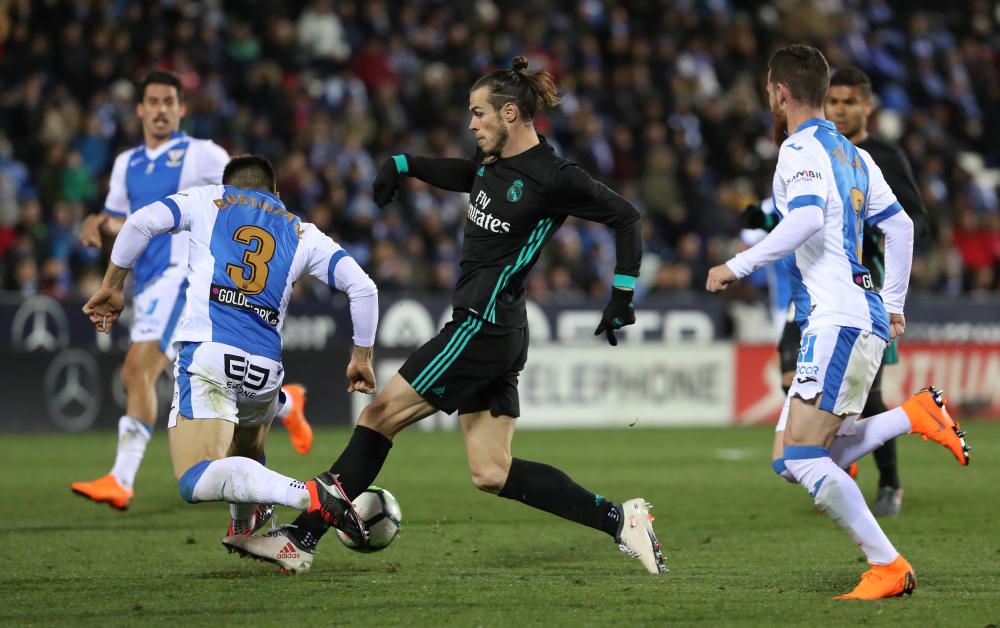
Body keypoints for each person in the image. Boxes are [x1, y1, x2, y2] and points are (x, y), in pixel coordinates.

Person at [224, 56, 666, 576]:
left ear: (510, 114)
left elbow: (626, 216)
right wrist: (405, 165)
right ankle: (622, 520)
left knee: (378, 416)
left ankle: (301, 537)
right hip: (501, 329)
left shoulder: (554, 176)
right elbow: (465, 175)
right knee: (491, 471)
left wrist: (622, 293)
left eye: (478, 114)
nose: (471, 124)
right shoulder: (491, 164)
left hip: (482, 324)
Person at [707, 45, 968, 600]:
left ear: (779, 92)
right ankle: (914, 415)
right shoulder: (853, 154)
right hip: (856, 316)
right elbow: (901, 229)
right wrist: (893, 302)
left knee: (804, 456)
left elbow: (802, 218)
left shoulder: (798, 148)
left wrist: (737, 264)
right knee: (788, 458)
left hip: (837, 322)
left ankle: (888, 565)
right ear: (822, 91)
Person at [81, 154, 376, 559]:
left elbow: (140, 222)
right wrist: (361, 355)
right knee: (246, 452)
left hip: (209, 355)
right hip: (265, 371)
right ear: (275, 193)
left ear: (229, 185)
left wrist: (114, 285)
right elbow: (364, 289)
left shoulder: (208, 199)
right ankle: (245, 526)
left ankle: (309, 493)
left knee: (193, 479)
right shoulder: (301, 230)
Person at [70, 71, 314, 515]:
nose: (161, 109)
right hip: (145, 284)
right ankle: (285, 402)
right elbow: (120, 218)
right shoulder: (127, 163)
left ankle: (120, 480)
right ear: (140, 109)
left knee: (135, 370)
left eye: (169, 101)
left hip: (182, 281)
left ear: (181, 109)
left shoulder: (202, 153)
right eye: (153, 101)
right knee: (164, 376)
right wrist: (96, 223)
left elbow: (246, 195)